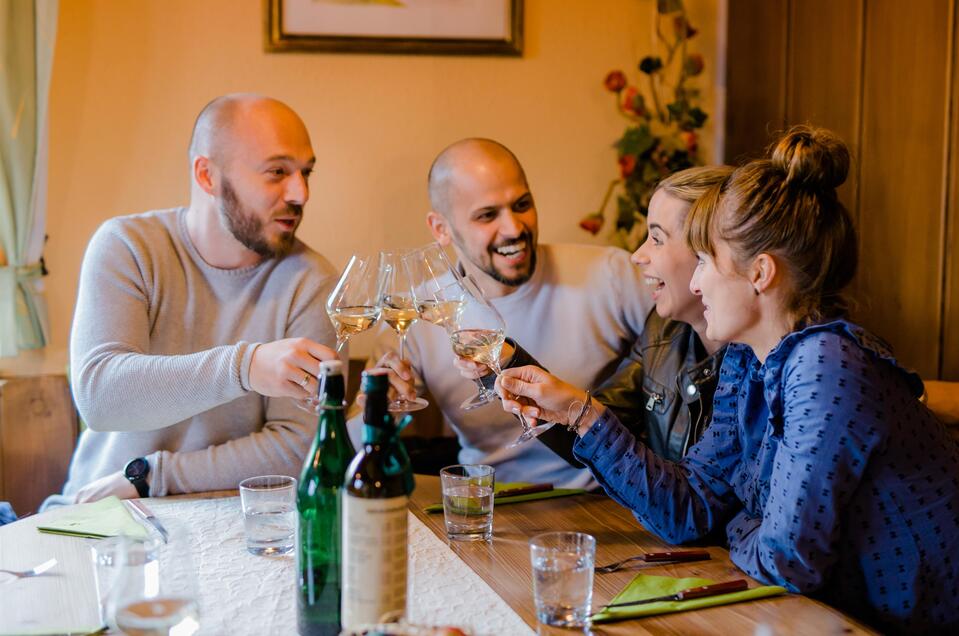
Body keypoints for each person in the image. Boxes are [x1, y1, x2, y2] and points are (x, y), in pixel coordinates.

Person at [499, 126, 959, 632]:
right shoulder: (748, 360)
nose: (696, 283)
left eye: (704, 261)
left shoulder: (824, 365)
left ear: (760, 273)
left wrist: (738, 525)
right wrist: (577, 413)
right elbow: (693, 509)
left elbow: (787, 562)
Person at [51, 94, 341, 506]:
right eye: (277, 171)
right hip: (99, 515)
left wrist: (155, 475)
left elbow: (299, 448)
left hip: (230, 516)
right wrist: (245, 367)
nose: (300, 193)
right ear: (207, 175)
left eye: (306, 172)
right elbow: (101, 397)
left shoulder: (311, 280)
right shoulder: (127, 247)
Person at [358, 138, 654, 489]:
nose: (514, 229)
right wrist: (377, 408)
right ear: (441, 229)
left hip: (607, 499)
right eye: (487, 215)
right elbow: (355, 445)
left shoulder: (612, 275)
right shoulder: (417, 315)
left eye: (522, 204)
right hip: (483, 503)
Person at [457, 166, 732, 462]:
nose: (638, 256)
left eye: (657, 239)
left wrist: (579, 410)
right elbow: (593, 439)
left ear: (714, 252)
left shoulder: (762, 365)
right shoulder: (664, 330)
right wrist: (511, 362)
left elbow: (698, 501)